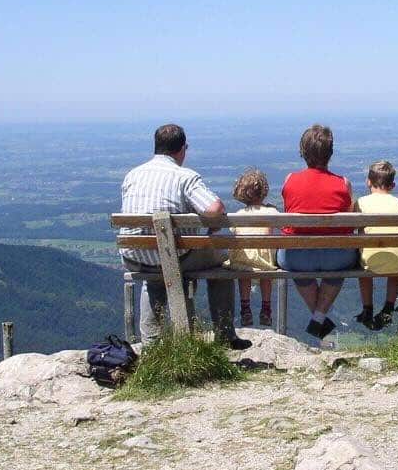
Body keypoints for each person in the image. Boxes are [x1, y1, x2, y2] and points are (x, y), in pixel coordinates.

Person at [119, 124, 250, 349]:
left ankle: (151, 343)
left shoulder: (133, 175)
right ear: (181, 149)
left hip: (135, 256)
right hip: (175, 256)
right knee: (222, 266)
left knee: (156, 269)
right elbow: (214, 208)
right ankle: (225, 334)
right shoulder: (184, 177)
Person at [278, 124, 357, 341]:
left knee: (297, 265)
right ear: (329, 153)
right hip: (338, 257)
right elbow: (348, 222)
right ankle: (319, 316)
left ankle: (318, 317)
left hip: (297, 255)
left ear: (303, 151)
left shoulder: (289, 180)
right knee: (340, 268)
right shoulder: (343, 183)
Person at [353, 161, 398, 330]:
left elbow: (352, 228)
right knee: (396, 255)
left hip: (370, 261)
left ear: (368, 182)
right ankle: (388, 307)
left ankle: (367, 308)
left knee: (362, 262)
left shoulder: (361, 202)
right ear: (392, 185)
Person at [225, 168, 279, 327]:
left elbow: (233, 231)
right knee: (265, 273)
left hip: (242, 259)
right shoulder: (271, 211)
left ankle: (245, 308)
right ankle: (266, 308)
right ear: (264, 191)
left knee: (244, 272)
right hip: (264, 261)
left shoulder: (238, 214)